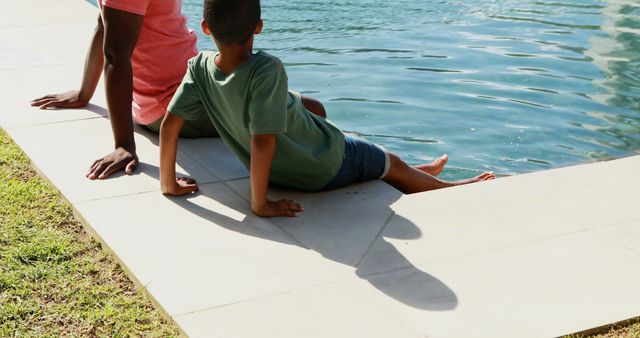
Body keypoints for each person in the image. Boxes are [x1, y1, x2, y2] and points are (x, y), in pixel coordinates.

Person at [159, 0, 496, 217]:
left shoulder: (199, 67)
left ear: (205, 28)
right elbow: (263, 140)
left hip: (279, 172)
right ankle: (451, 188)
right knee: (385, 160)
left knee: (367, 150)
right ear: (258, 27)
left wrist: (168, 183)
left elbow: (170, 124)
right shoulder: (266, 69)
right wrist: (259, 204)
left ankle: (413, 170)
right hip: (320, 166)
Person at [30, 0, 220, 180]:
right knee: (247, 98)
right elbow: (114, 54)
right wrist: (124, 144)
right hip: (179, 101)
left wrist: (83, 94)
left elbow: (104, 24)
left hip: (170, 93)